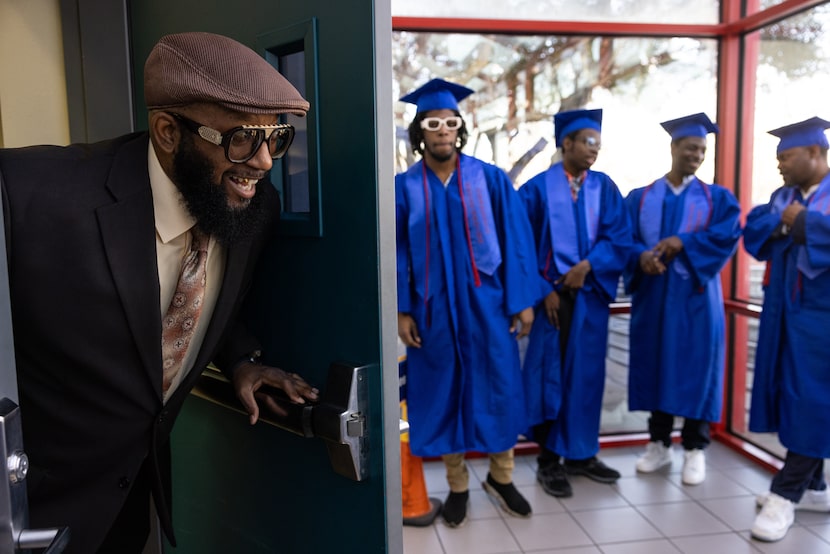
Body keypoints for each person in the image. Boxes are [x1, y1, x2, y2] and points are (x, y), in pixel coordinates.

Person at [0, 32, 320, 553]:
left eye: (276, 137)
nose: (264, 162)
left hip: (128, 510)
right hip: (30, 510)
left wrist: (240, 360)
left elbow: (199, 299)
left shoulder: (257, 207)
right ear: (168, 131)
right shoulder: (28, 192)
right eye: (243, 138)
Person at [395, 78, 538, 527]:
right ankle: (457, 486)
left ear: (460, 129)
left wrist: (522, 301)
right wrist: (402, 309)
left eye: (450, 123)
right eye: (432, 124)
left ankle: (502, 477)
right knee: (442, 391)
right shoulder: (404, 187)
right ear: (420, 131)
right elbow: (398, 253)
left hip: (488, 307)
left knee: (500, 386)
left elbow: (516, 241)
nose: (442, 131)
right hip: (433, 310)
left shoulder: (489, 179)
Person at [518, 108, 631, 498]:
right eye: (587, 142)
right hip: (552, 301)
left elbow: (620, 237)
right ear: (566, 143)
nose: (594, 149)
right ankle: (549, 461)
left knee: (586, 379)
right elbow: (518, 246)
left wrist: (589, 265)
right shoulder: (536, 189)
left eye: (597, 143)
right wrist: (541, 289)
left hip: (590, 299)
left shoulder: (605, 188)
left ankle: (581, 455)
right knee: (551, 378)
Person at [624, 113, 741, 485]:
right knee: (655, 367)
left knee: (697, 369)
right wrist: (641, 256)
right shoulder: (641, 197)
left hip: (696, 301)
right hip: (654, 298)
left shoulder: (717, 199)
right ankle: (659, 444)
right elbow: (622, 238)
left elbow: (726, 236)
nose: (697, 155)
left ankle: (694, 448)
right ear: (673, 147)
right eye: (691, 147)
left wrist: (684, 242)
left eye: (703, 150)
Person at [744, 116, 830, 542]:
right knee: (793, 399)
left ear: (815, 152)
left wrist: (804, 223)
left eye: (786, 156)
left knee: (814, 402)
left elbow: (804, 227)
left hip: (822, 321)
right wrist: (785, 221)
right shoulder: (784, 196)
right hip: (784, 313)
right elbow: (755, 229)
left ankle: (786, 493)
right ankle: (815, 488)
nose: (779, 164)